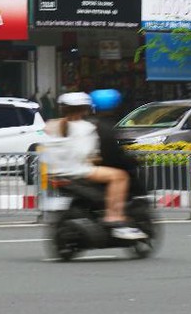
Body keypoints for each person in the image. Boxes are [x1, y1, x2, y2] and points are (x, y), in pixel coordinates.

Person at [43, 92, 142, 240]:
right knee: (120, 177)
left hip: (55, 173)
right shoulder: (87, 128)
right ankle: (114, 216)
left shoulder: (51, 125)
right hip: (79, 171)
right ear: (86, 109)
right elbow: (88, 154)